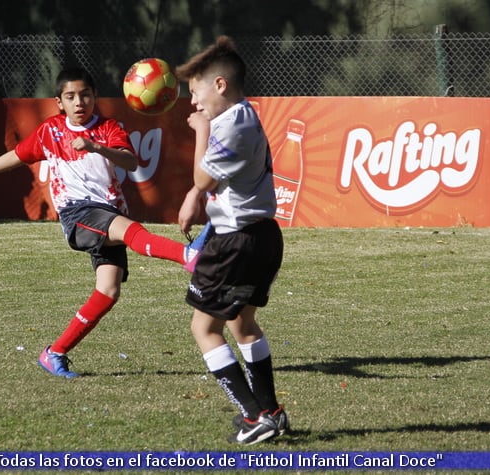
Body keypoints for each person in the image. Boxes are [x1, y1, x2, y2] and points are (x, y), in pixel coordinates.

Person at [0, 67, 199, 378]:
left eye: (85, 95)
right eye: (70, 97)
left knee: (108, 292)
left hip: (107, 209)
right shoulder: (51, 131)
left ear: (95, 97)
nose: (79, 102)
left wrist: (97, 147)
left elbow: (130, 160)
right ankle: (188, 257)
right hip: (77, 213)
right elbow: (18, 154)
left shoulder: (108, 128)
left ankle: (54, 352)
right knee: (129, 231)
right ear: (59, 102)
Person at [175, 36, 290, 445]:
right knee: (243, 325)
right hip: (262, 236)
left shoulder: (228, 123)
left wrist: (201, 130)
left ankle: (254, 413)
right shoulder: (244, 114)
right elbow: (210, 185)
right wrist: (194, 197)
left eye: (196, 92)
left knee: (205, 328)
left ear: (219, 85)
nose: (193, 103)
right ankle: (271, 410)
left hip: (236, 242)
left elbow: (203, 178)